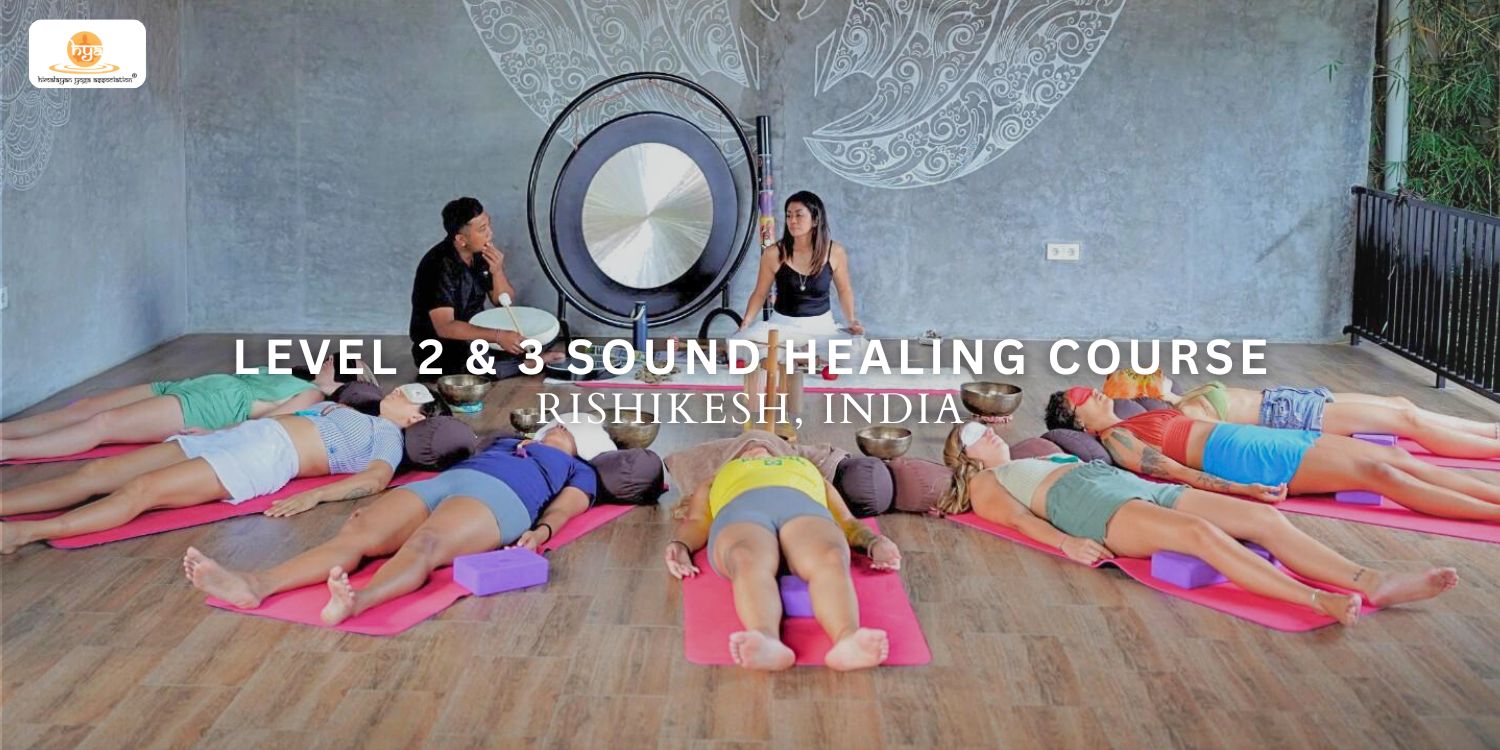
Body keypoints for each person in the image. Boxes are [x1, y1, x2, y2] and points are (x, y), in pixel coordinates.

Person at [942, 422, 1458, 625]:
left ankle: (1372, 580)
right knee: (1200, 536)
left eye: (984, 427)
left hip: (1126, 484)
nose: (986, 433)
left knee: (1261, 518)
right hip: (1093, 507)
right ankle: (1314, 599)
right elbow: (1019, 521)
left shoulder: (1042, 455)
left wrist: (1240, 488)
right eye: (973, 436)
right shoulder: (988, 482)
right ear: (964, 458)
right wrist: (1067, 544)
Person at [183, 418, 611, 626]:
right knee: (359, 534)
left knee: (425, 545)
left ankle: (360, 601)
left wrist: (541, 532)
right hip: (445, 482)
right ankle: (255, 584)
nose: (558, 425)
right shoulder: (508, 441)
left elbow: (563, 510)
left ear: (583, 443)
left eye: (568, 428)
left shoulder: (580, 469)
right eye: (556, 422)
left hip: (502, 499)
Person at [0, 384, 444, 553]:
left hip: (263, 458)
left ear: (416, 417)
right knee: (95, 475)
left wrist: (314, 496)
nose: (401, 391)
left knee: (142, 490)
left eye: (412, 395)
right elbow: (279, 416)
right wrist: (217, 430)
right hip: (242, 436)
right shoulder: (352, 411)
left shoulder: (388, 435)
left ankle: (23, 534)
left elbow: (375, 480)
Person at [1045, 387, 1500, 523]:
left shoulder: (1134, 417)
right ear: (1080, 423)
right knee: (1382, 474)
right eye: (1080, 397)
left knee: (1401, 460)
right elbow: (1177, 472)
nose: (1091, 391)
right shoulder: (1117, 440)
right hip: (1245, 461)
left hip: (1255, 438)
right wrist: (1243, 489)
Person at [664, 433, 901, 671]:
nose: (756, 443)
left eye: (769, 441)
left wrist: (874, 542)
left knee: (830, 557)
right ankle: (765, 639)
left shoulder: (807, 468)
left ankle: (848, 639)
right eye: (744, 444)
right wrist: (681, 545)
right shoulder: (715, 478)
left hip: (803, 511)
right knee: (745, 557)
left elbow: (847, 521)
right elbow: (697, 522)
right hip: (741, 513)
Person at [0, 360, 369, 461]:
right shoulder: (297, 375)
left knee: (103, 424)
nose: (330, 360)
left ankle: (8, 449)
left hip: (210, 405)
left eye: (339, 363)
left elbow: (271, 424)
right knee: (83, 408)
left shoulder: (313, 395)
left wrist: (215, 436)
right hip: (194, 386)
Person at [1103, 369, 1500, 459]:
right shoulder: (1190, 411)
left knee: (1400, 403)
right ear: (1145, 392)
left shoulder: (1183, 397)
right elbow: (1226, 439)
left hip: (1291, 398)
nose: (1153, 374)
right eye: (1142, 378)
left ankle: (1490, 430)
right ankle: (1492, 448)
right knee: (1405, 422)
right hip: (1290, 417)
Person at [731, 191, 865, 360]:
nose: (792, 221)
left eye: (798, 215)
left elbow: (844, 290)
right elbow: (760, 293)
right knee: (741, 344)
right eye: (788, 216)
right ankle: (803, 355)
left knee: (858, 349)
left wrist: (852, 320)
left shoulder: (835, 252)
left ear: (815, 220)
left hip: (821, 328)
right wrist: (746, 323)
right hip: (782, 326)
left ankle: (799, 354)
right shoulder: (773, 253)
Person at [410, 197, 528, 381]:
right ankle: (529, 364)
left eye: (489, 225)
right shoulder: (437, 265)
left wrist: (497, 271)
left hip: (475, 338)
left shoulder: (479, 254)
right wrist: (498, 336)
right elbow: (445, 327)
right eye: (482, 229)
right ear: (461, 239)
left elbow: (503, 302)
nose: (490, 234)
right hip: (440, 348)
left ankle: (519, 361)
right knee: (475, 365)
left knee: (528, 340)